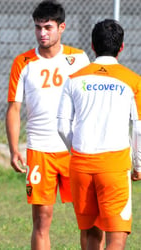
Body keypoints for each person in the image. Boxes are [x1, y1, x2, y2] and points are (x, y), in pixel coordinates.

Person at [5, 1, 90, 249]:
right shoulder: (23, 62)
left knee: (86, 218)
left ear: (61, 27)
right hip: (40, 150)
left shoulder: (79, 58)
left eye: (48, 27)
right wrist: (13, 149)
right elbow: (14, 108)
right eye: (38, 27)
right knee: (42, 220)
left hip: (74, 150)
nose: (43, 33)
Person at [57, 19, 141, 250]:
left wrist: (78, 150)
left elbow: (62, 126)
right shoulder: (133, 81)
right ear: (121, 47)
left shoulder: (73, 79)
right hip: (114, 166)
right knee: (117, 235)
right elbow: (139, 129)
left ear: (92, 46)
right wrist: (138, 165)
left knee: (90, 233)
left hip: (81, 165)